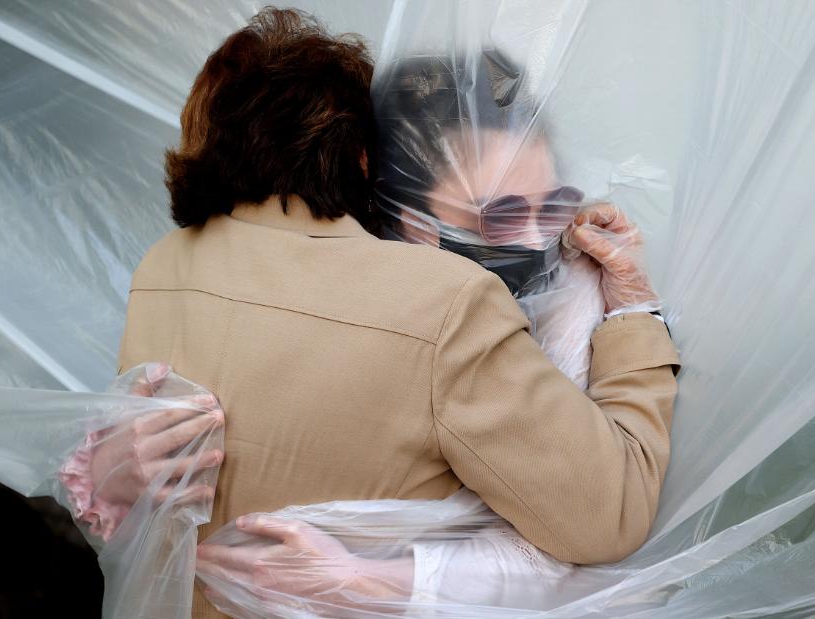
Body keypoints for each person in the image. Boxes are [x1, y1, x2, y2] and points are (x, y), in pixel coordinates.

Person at [86, 8, 677, 618]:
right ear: (375, 170)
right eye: (498, 215)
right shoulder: (445, 302)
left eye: (554, 205)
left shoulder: (160, 272)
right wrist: (634, 318)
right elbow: (609, 515)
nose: (537, 239)